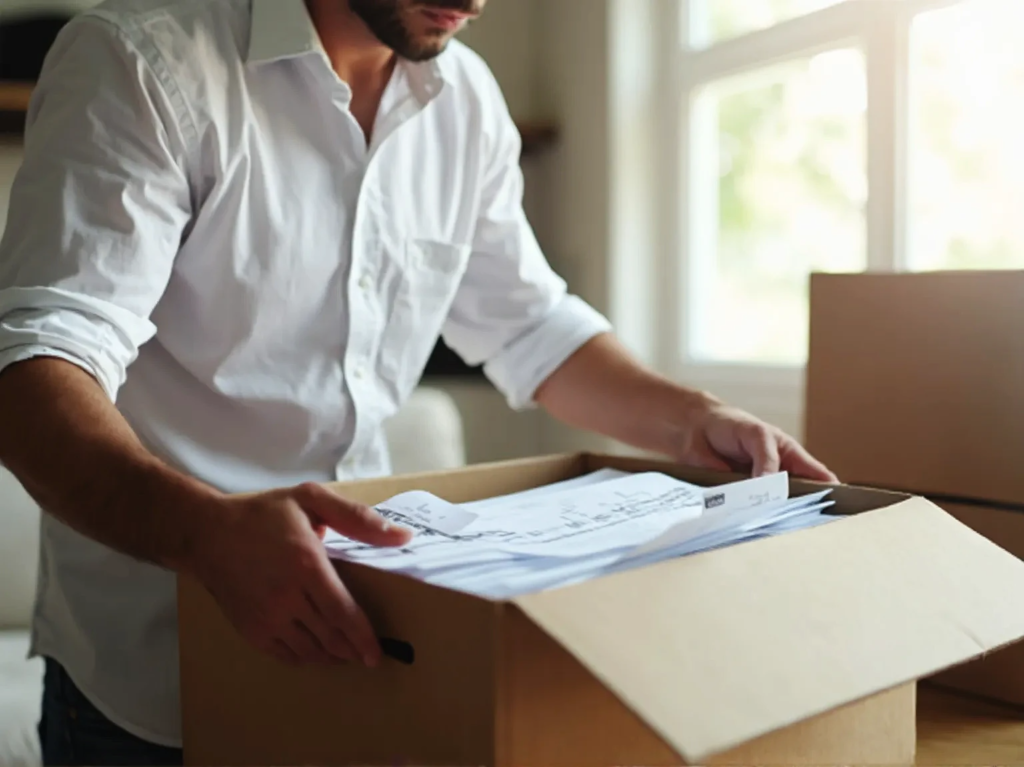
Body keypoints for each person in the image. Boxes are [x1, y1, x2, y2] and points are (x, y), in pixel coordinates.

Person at [0, 0, 837, 764]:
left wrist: (695, 420)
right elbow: (34, 374)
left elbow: (532, 325)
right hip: (156, 684)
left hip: (372, 653)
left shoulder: (465, 101)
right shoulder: (141, 63)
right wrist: (204, 534)